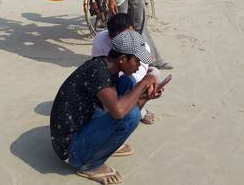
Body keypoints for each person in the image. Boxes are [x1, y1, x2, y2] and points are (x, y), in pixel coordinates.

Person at [50, 30, 162, 183]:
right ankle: (90, 165)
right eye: (137, 61)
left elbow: (123, 107)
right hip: (71, 151)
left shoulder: (108, 66)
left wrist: (145, 96)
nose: (139, 66)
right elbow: (119, 113)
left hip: (84, 127)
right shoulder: (98, 72)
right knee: (132, 116)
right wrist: (143, 83)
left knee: (128, 82)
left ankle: (105, 145)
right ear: (122, 58)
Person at [92, 13, 159, 125]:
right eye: (123, 36)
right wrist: (143, 84)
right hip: (110, 78)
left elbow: (137, 78)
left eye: (131, 34)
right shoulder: (100, 43)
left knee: (139, 78)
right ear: (111, 37)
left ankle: (134, 108)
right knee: (129, 115)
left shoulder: (141, 46)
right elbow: (118, 113)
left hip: (121, 74)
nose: (129, 39)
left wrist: (145, 91)